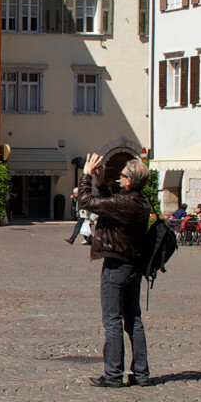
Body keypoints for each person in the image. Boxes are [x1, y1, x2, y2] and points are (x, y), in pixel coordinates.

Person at [77, 152, 154, 388]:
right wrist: (101, 183)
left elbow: (86, 202)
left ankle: (113, 374)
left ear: (129, 181)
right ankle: (141, 374)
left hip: (116, 265)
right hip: (134, 265)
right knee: (134, 320)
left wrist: (86, 176)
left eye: (122, 175)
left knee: (112, 320)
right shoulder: (141, 201)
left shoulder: (124, 203)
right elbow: (112, 204)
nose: (119, 178)